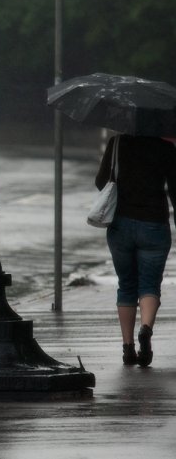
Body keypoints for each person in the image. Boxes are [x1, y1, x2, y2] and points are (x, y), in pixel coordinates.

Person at [95, 133, 176, 368]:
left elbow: (101, 181)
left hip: (121, 222)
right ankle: (146, 328)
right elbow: (175, 189)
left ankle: (128, 347)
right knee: (150, 285)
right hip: (154, 224)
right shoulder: (166, 148)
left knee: (126, 285)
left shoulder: (118, 142)